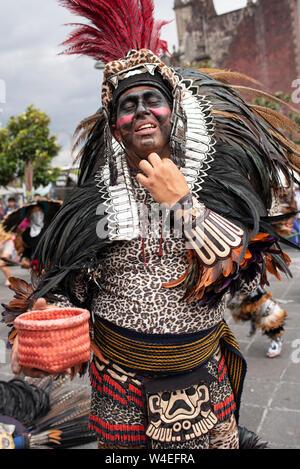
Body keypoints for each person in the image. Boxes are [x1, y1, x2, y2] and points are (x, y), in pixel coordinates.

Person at [7, 0, 300, 450]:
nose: (142, 111)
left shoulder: (217, 180)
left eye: (152, 100)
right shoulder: (92, 200)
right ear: (115, 127)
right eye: (128, 105)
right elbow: (70, 281)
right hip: (118, 384)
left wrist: (182, 201)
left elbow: (239, 265)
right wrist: (49, 313)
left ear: (174, 113)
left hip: (201, 379)